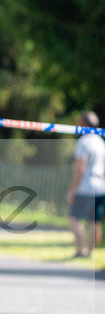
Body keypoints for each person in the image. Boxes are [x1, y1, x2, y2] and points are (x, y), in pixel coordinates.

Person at [67, 111, 105, 258]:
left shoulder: (83, 141)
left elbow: (80, 167)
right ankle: (90, 253)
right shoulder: (101, 142)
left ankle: (80, 250)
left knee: (74, 219)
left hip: (86, 186)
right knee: (94, 221)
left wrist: (72, 189)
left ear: (84, 124)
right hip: (101, 185)